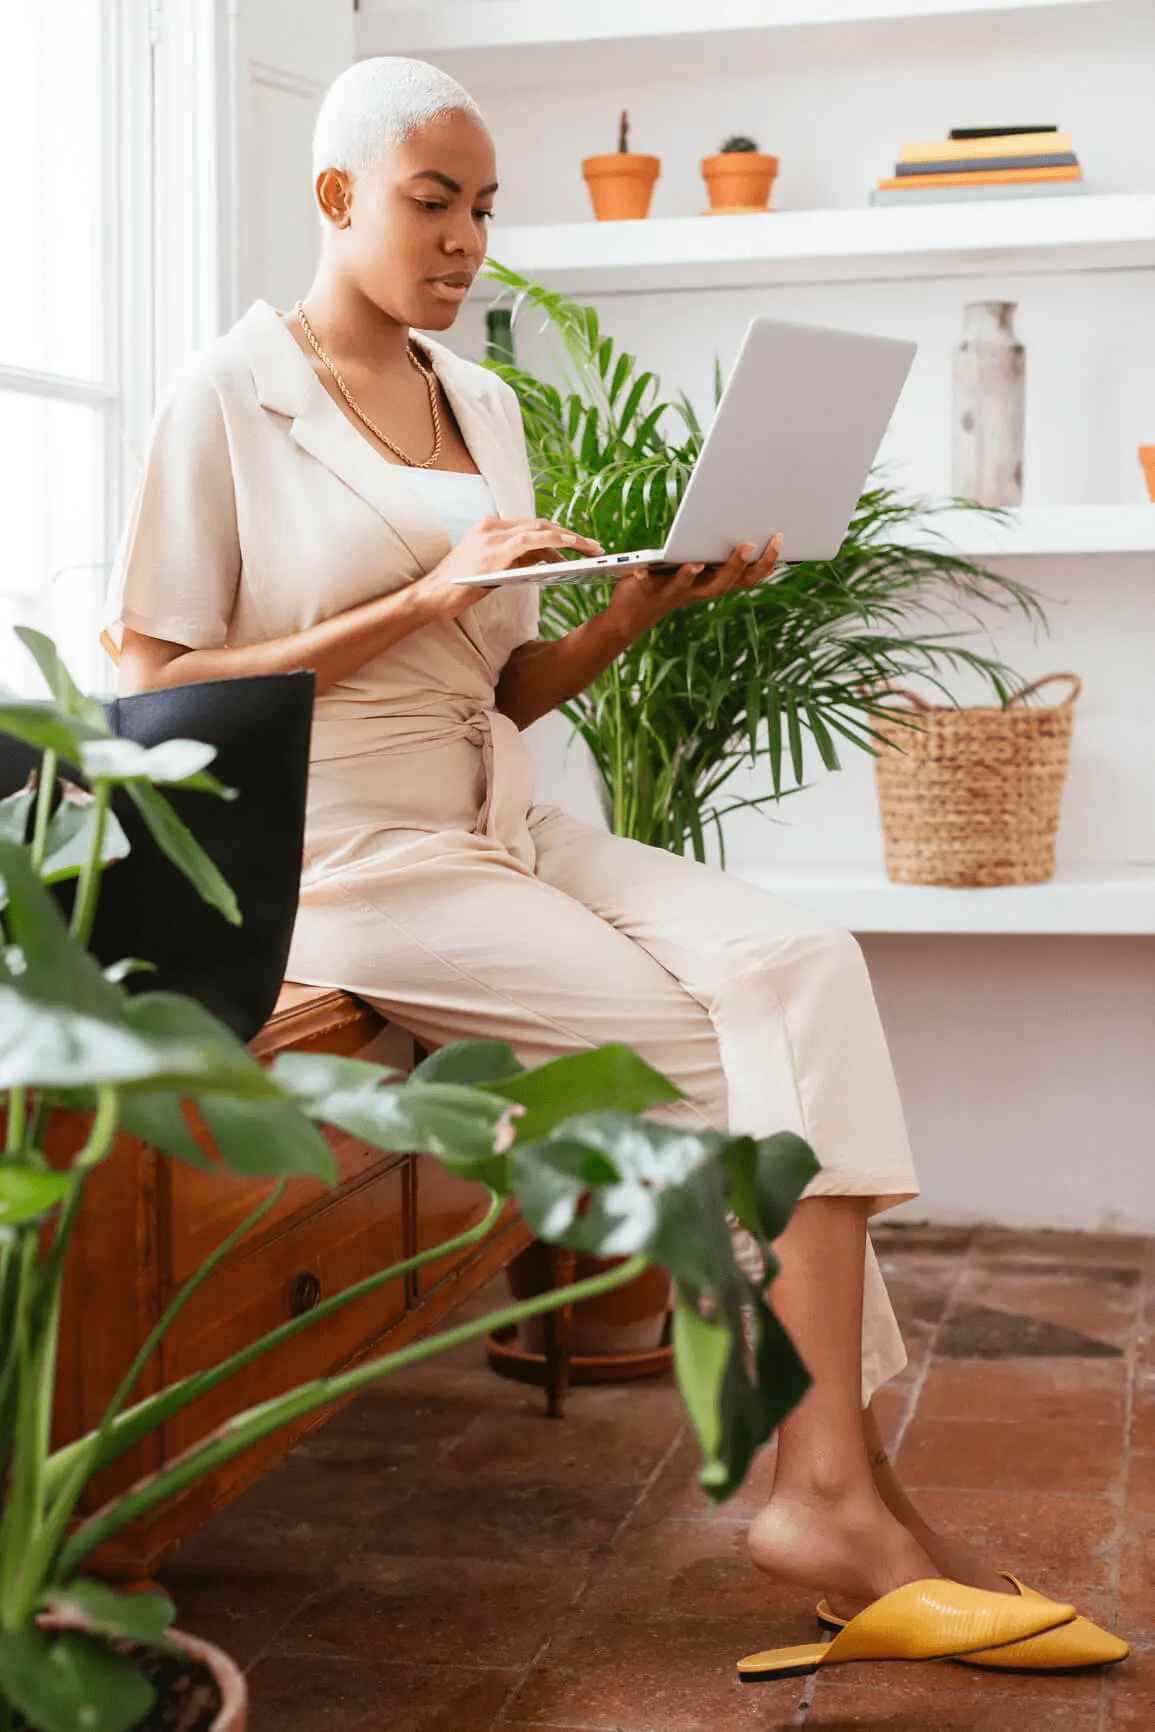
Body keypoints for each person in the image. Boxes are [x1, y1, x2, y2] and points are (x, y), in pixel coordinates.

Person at [108, 56, 1117, 1665]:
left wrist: (634, 611)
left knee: (802, 967)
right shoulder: (230, 392)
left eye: (485, 209)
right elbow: (156, 682)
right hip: (346, 853)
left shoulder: (482, 400)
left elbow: (503, 684)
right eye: (432, 200)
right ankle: (839, 1499)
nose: (464, 239)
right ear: (336, 196)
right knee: (730, 1087)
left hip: (506, 813)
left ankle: (837, 1485)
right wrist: (425, 595)